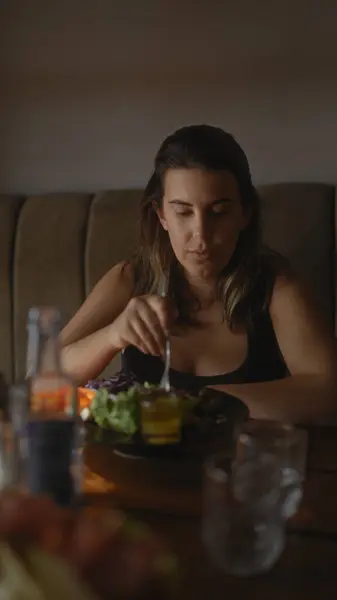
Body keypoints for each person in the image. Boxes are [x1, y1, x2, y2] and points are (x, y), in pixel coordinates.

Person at [60, 124, 337, 423]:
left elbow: (327, 391)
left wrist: (196, 402)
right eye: (183, 212)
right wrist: (112, 336)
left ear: (245, 214)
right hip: (146, 466)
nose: (201, 237)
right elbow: (39, 380)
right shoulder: (130, 278)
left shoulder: (276, 285)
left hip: (238, 464)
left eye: (218, 212)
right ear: (162, 215)